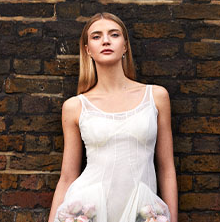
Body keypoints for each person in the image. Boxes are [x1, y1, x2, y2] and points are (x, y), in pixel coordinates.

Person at [48, 12, 178, 222]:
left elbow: (166, 168)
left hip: (142, 212)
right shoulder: (75, 106)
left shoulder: (155, 96)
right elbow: (67, 177)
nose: (106, 40)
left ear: (125, 46)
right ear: (88, 50)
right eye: (97, 36)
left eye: (114, 34)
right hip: (88, 213)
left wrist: (172, 219)